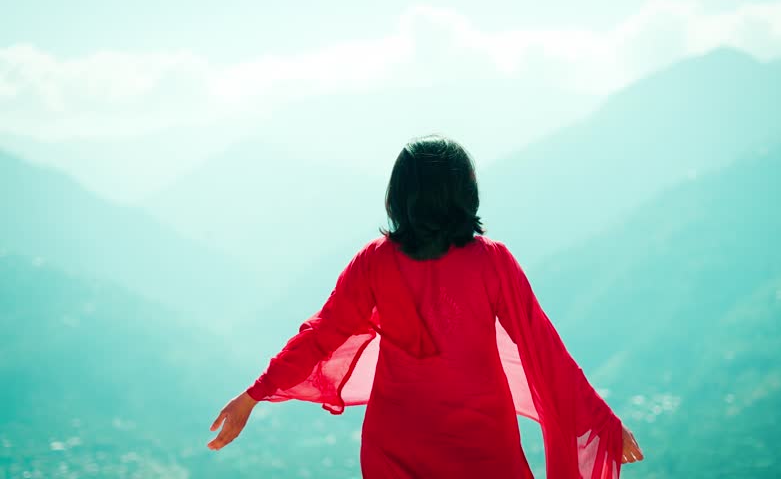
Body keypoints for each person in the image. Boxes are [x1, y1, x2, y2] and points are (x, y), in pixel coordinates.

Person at [207, 134, 644, 478]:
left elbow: (321, 336)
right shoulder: (492, 262)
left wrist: (254, 395)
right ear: (463, 192)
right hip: (482, 447)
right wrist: (599, 419)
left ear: (399, 194)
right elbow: (546, 350)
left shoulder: (373, 262)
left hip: (397, 447)